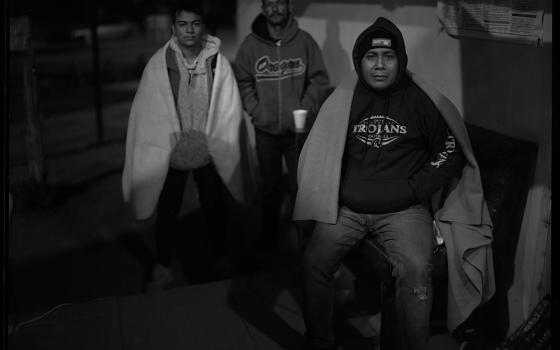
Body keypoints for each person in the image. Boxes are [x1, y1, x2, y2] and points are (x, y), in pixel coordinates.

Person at [293, 17, 495, 350]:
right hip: (347, 209)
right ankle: (319, 341)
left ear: (400, 60)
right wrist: (341, 190)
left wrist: (414, 189)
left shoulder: (420, 100)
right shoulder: (343, 100)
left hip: (405, 210)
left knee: (416, 270)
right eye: (372, 57)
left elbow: (450, 149)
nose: (380, 65)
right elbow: (324, 152)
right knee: (315, 260)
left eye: (388, 57)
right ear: (360, 61)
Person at [122, 3, 248, 291]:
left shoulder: (217, 62)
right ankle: (162, 266)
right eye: (183, 24)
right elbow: (149, 111)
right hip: (174, 152)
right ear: (173, 28)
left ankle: (220, 257)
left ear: (202, 26)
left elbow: (228, 108)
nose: (189, 30)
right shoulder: (159, 64)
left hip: (207, 149)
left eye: (195, 24)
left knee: (215, 206)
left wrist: (217, 138)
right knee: (168, 210)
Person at [234, 0, 331, 245]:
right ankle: (269, 238)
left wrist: (304, 107)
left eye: (279, 3)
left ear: (288, 5)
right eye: (269, 4)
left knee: (301, 186)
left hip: (297, 131)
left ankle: (305, 240)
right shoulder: (250, 45)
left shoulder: (304, 41)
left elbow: (319, 80)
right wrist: (257, 110)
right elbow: (243, 81)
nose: (274, 8)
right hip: (265, 130)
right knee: (269, 186)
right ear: (263, 9)